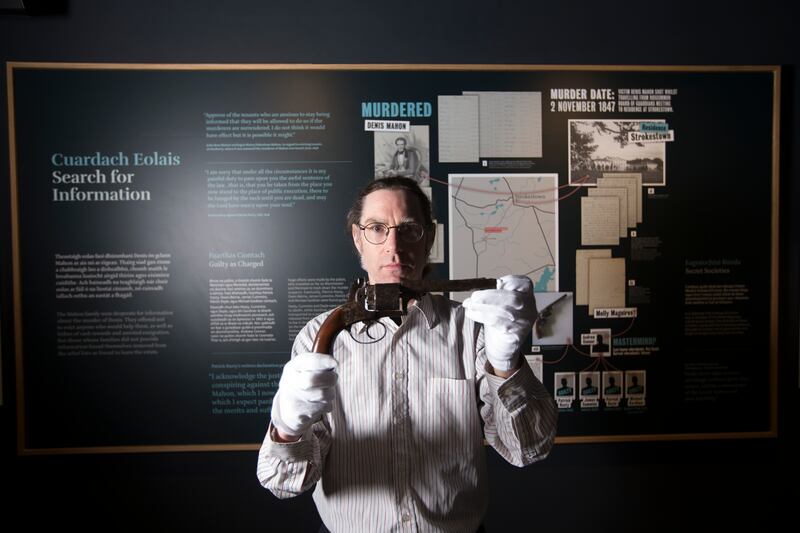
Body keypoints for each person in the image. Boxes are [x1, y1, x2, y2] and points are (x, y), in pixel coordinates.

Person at [257, 177, 558, 532]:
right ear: (358, 239)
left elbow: (528, 448)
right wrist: (289, 430)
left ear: (428, 238)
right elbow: (283, 482)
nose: (393, 246)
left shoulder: (471, 329)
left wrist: (506, 365)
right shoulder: (318, 335)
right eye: (377, 228)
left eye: (409, 229)